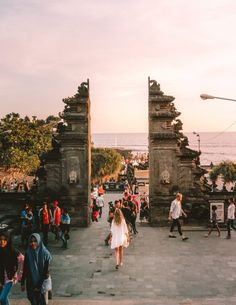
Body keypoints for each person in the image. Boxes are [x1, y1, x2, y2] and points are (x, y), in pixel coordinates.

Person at [21, 233, 52, 305]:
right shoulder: (28, 253)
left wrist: (38, 286)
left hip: (42, 283)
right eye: (31, 241)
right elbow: (25, 268)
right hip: (31, 283)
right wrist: (22, 282)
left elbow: (46, 272)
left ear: (39, 241)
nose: (33, 243)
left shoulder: (45, 254)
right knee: (33, 301)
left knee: (42, 302)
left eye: (35, 241)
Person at [0, 232, 19, 305]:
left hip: (9, 278)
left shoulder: (12, 250)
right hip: (1, 278)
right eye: (0, 239)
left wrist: (16, 273)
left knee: (2, 298)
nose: (2, 241)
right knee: (4, 298)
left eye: (4, 240)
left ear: (7, 241)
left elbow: (22, 259)